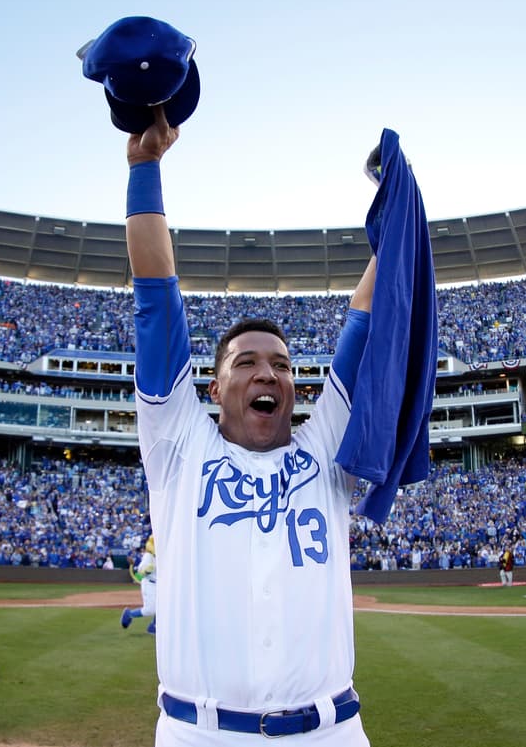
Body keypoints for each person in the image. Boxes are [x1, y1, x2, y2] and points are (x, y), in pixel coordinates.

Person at [121, 106, 379, 744]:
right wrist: (144, 166)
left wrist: (396, 224)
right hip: (201, 732)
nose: (268, 373)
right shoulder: (180, 445)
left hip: (331, 732)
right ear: (213, 389)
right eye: (246, 363)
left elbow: (366, 322)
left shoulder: (327, 449)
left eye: (282, 365)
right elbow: (156, 300)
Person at [120, 534, 157, 635]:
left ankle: (154, 626)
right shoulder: (149, 556)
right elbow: (141, 569)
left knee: (163, 606)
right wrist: (146, 570)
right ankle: (130, 614)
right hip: (150, 583)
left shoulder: (165, 555)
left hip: (161, 584)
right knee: (150, 609)